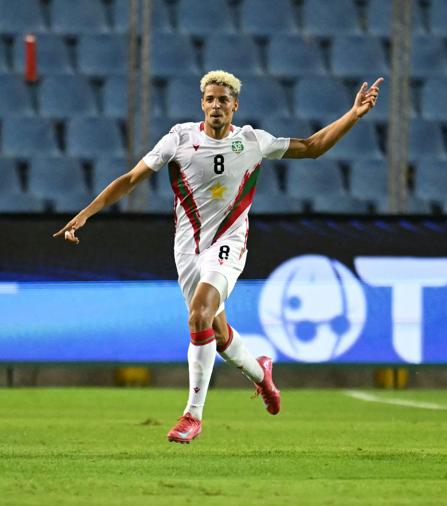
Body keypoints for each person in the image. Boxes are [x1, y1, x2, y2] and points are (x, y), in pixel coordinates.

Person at [54, 70, 383, 444]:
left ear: (235, 105)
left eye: (223, 100)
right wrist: (86, 213)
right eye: (209, 99)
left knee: (199, 314)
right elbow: (131, 179)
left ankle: (191, 416)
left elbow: (311, 146)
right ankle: (262, 374)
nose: (215, 105)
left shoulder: (252, 141)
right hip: (187, 248)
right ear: (202, 103)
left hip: (230, 242)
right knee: (217, 331)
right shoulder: (179, 139)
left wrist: (353, 114)